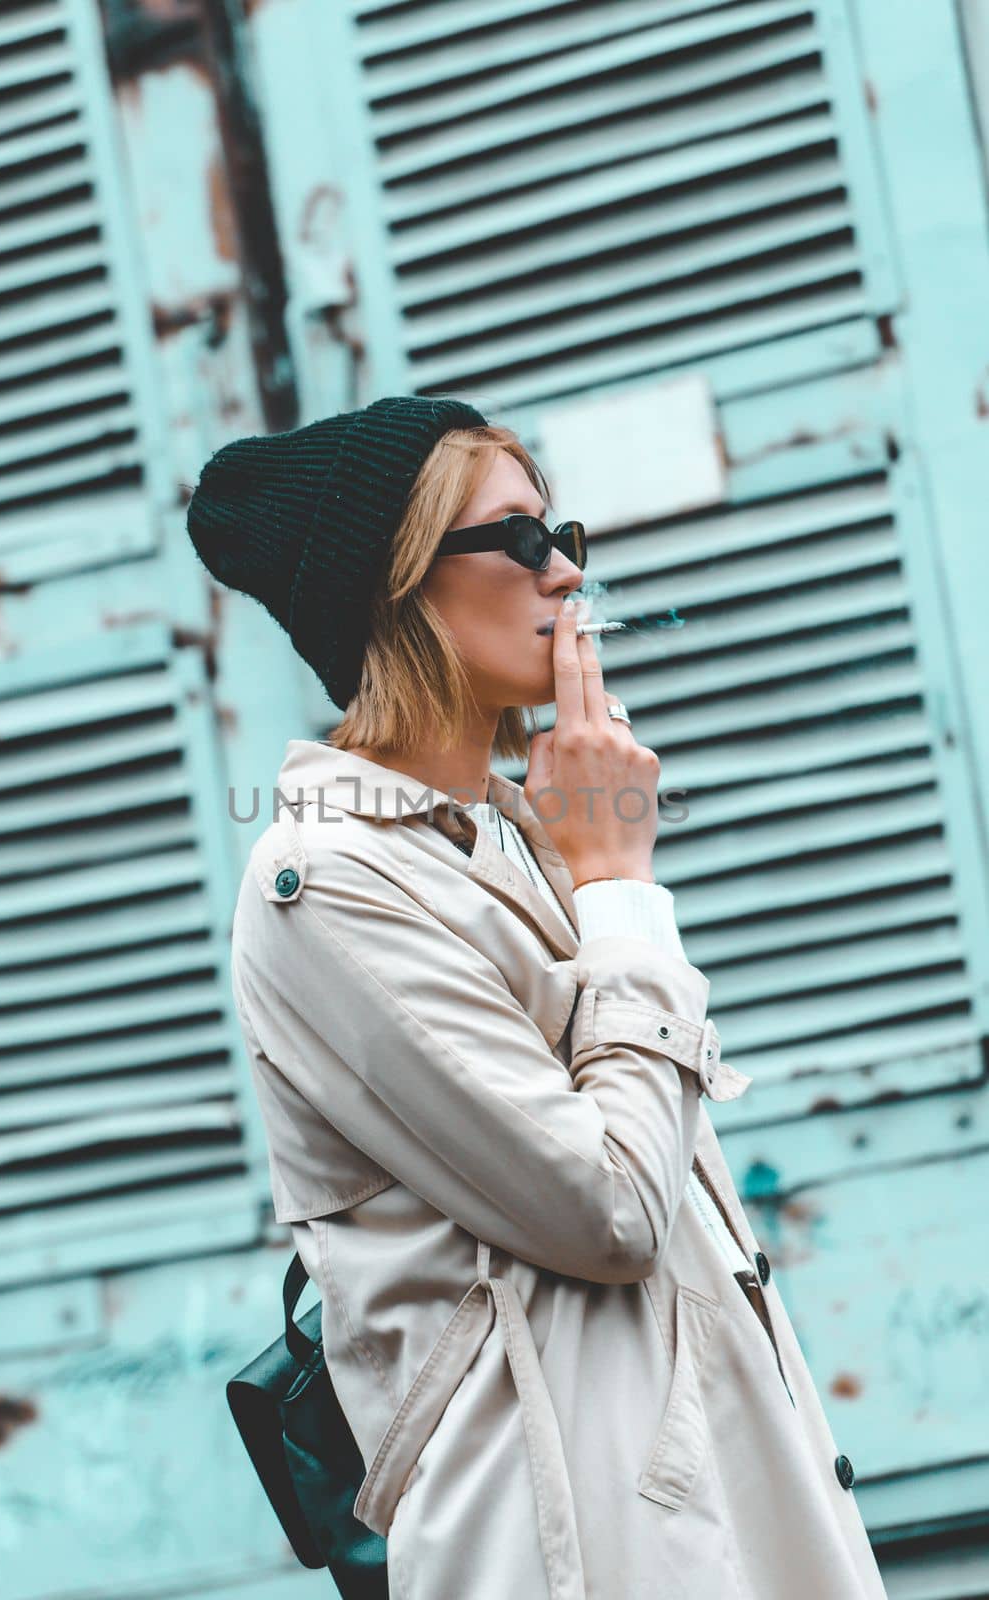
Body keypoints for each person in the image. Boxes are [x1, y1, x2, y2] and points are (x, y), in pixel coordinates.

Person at [186, 396, 889, 1600]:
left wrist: (589, 867)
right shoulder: (329, 882)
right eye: (518, 539)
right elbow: (608, 1208)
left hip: (712, 1506)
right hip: (569, 1543)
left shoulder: (512, 836)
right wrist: (618, 885)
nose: (565, 570)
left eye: (564, 533)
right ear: (398, 586)